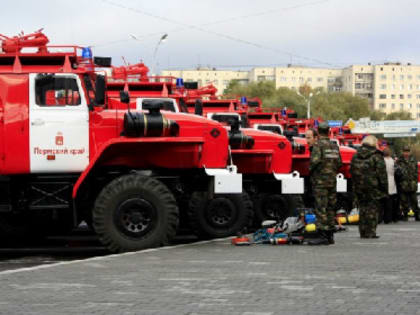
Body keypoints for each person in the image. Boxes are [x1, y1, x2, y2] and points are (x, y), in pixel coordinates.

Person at [309, 122, 342, 245]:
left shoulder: (318, 145)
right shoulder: (334, 146)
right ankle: (330, 235)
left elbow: (314, 162)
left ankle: (322, 234)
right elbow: (339, 163)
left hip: (320, 181)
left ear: (317, 132)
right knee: (330, 207)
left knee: (321, 207)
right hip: (332, 181)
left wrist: (311, 172)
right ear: (328, 131)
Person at [350, 135, 387, 238]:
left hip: (359, 186)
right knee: (373, 209)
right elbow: (382, 175)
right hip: (373, 187)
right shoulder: (376, 156)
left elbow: (351, 171)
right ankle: (371, 232)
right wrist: (384, 189)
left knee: (362, 208)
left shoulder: (355, 155)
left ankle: (362, 231)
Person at [395, 146, 419, 221]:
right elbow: (397, 172)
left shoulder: (413, 160)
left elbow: (416, 172)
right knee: (404, 201)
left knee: (414, 201)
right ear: (403, 151)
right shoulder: (399, 161)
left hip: (412, 184)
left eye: (407, 151)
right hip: (403, 184)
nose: (406, 153)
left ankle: (417, 215)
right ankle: (405, 215)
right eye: (405, 151)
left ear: (409, 152)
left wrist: (414, 181)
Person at [382, 147, 399, 223]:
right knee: (391, 202)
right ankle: (391, 218)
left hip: (384, 181)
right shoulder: (393, 161)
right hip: (392, 181)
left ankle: (384, 218)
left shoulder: (381, 161)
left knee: (384, 202)